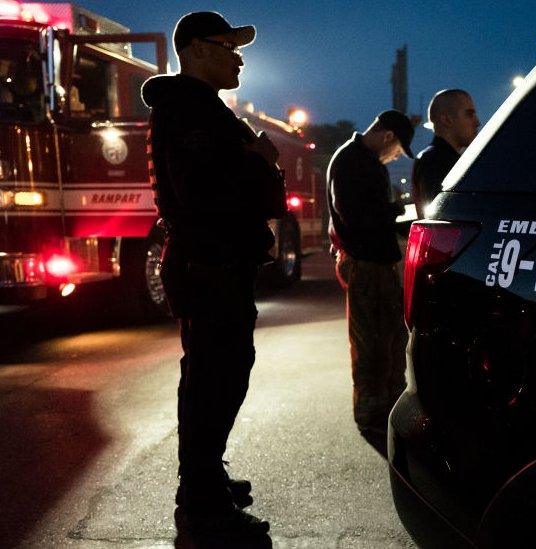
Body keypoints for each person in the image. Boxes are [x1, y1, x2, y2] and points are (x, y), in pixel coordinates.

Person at [142, 11, 284, 539]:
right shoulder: (191, 113)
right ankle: (203, 499)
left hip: (216, 262)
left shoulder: (202, 109)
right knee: (212, 379)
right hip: (209, 265)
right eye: (229, 46)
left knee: (220, 373)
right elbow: (203, 194)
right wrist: (259, 161)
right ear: (198, 49)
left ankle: (206, 474)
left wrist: (258, 163)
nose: (239, 56)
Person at [327, 110, 414, 449]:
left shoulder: (362, 161)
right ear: (388, 136)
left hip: (377, 260)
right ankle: (371, 413)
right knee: (370, 343)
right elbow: (356, 215)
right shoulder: (351, 161)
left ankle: (388, 406)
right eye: (397, 151)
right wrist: (396, 211)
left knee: (389, 337)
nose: (395, 157)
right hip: (365, 262)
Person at [411, 89, 479, 218]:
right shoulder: (436, 161)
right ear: (446, 120)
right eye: (470, 114)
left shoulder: (431, 158)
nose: (477, 122)